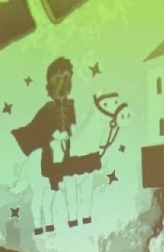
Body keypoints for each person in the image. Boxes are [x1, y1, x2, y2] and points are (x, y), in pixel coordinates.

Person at [12, 58, 100, 234]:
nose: (62, 84)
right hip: (53, 143)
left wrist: (73, 132)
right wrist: (53, 135)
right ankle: (54, 180)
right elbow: (40, 127)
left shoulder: (71, 105)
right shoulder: (47, 109)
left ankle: (79, 214)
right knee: (56, 154)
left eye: (66, 79)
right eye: (58, 80)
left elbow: (72, 123)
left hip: (69, 141)